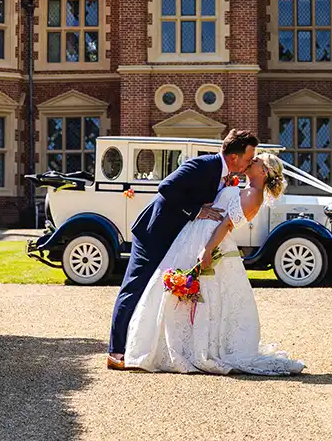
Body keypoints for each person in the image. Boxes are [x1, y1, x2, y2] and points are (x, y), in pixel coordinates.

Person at [124, 152, 305, 375]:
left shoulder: (253, 195)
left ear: (264, 171)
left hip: (208, 241)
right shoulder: (245, 190)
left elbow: (226, 225)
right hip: (194, 236)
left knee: (204, 297)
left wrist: (207, 249)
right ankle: (179, 345)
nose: (251, 161)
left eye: (256, 161)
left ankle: (193, 348)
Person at [106, 129, 258, 370]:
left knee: (156, 291)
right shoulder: (203, 165)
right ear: (235, 157)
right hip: (154, 233)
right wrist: (196, 211)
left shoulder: (223, 174)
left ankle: (146, 347)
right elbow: (166, 187)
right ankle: (115, 352)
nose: (250, 162)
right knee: (136, 286)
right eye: (249, 158)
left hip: (177, 238)